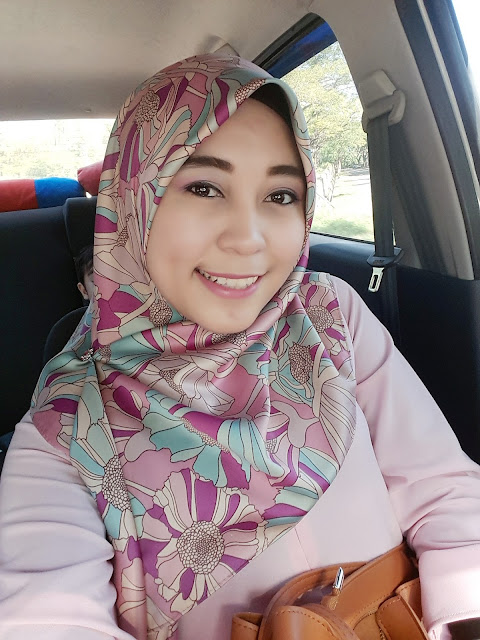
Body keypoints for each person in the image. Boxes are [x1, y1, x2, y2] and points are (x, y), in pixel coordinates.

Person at [0, 54, 479, 640]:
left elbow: (443, 490)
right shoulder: (66, 430)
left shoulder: (327, 314)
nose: (249, 240)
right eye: (205, 188)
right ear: (134, 202)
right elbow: (47, 617)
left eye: (280, 195)